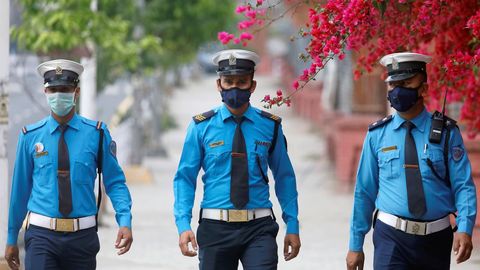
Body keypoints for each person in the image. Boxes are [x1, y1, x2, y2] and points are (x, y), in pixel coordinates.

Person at [346, 52, 477, 270]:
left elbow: (463, 185)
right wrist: (355, 244)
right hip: (391, 238)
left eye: (406, 83)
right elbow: (364, 191)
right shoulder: (377, 134)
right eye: (393, 85)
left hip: (436, 239)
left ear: (423, 89)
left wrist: (465, 228)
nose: (398, 91)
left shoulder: (446, 132)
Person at [173, 49, 301, 269]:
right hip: (215, 228)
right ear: (218, 84)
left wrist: (293, 224)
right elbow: (185, 178)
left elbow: (284, 177)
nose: (234, 88)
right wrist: (183, 225)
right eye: (228, 81)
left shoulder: (270, 126)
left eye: (241, 82)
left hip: (259, 227)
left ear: (252, 85)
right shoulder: (201, 127)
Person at [4, 59, 133, 270]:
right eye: (53, 89)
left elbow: (115, 182)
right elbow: (20, 191)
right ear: (45, 92)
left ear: (77, 92)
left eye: (64, 89)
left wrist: (125, 220)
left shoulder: (97, 134)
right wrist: (11, 237)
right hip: (41, 236)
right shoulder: (30, 137)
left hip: (82, 238)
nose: (58, 95)